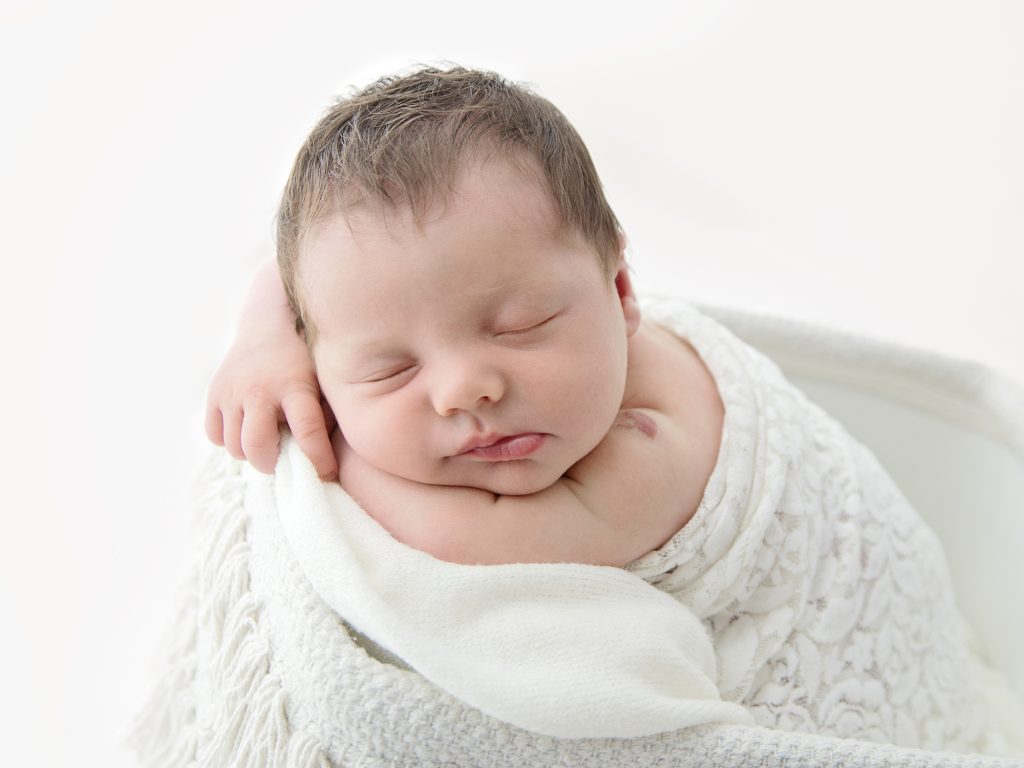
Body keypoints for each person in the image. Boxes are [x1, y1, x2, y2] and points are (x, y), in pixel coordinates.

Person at [203, 66, 1016, 752]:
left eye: (519, 328)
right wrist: (262, 335)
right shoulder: (497, 312)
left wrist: (332, 444)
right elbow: (317, 268)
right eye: (390, 367)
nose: (462, 391)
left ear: (622, 292)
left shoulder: (651, 451)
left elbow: (454, 541)